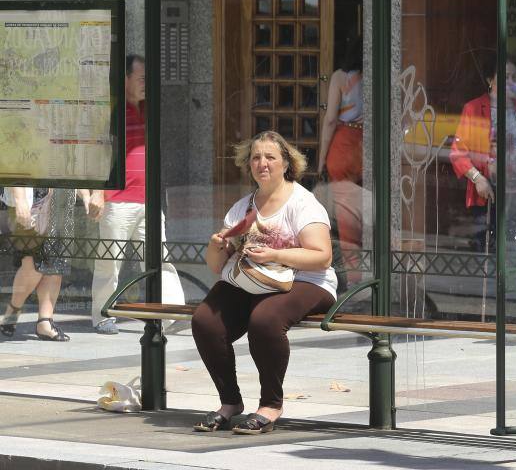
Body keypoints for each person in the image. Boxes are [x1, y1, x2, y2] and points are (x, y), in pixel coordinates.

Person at [191, 131, 337, 435]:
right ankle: (229, 403)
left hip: (306, 281)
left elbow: (322, 256)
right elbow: (217, 267)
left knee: (265, 319)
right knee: (205, 320)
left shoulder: (303, 203)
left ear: (286, 163)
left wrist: (275, 253)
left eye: (270, 157)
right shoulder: (243, 206)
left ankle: (271, 405)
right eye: (256, 157)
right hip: (254, 280)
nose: (263, 163)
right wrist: (217, 245)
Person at [83, 54, 184, 334]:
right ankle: (102, 315)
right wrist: (97, 193)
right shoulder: (113, 111)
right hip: (118, 201)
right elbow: (98, 153)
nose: (145, 84)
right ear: (125, 80)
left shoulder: (150, 109)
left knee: (159, 259)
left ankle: (169, 314)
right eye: (140, 79)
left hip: (149, 201)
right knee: (109, 262)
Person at [450, 54, 516, 256]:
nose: (511, 82)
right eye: (505, 77)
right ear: (490, 80)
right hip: (490, 193)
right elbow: (458, 153)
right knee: (491, 253)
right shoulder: (474, 108)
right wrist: (478, 179)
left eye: (514, 78)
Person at [0, 187, 75, 341]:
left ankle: (45, 322)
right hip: (31, 198)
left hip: (60, 194)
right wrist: (20, 198)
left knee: (55, 262)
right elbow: (17, 165)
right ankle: (13, 309)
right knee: (32, 262)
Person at [317, 36, 363, 284]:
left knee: (346, 219)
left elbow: (331, 119)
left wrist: (321, 158)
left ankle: (356, 278)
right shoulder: (378, 74)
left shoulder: (340, 77)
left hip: (344, 142)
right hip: (370, 142)